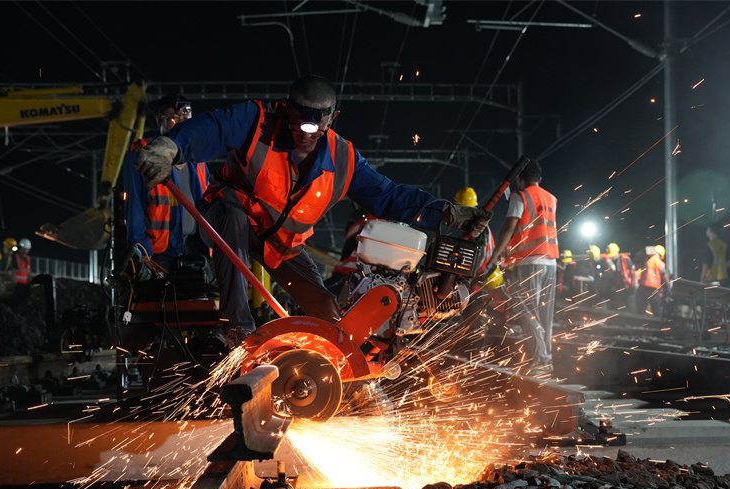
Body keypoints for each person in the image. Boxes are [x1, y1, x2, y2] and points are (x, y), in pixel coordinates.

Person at [135, 75, 492, 349]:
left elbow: (390, 197)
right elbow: (211, 127)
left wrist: (449, 213)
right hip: (229, 220)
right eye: (295, 121)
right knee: (233, 216)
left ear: (332, 118)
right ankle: (238, 330)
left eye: (314, 125)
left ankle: (343, 372)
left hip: (280, 244)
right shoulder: (257, 120)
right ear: (285, 108)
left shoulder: (344, 160)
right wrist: (170, 146)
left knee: (330, 315)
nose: (303, 133)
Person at [124, 93, 210, 273]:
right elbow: (135, 205)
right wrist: (142, 249)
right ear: (158, 120)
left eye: (186, 118)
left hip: (196, 247)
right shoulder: (143, 152)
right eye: (174, 118)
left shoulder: (198, 157)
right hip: (159, 252)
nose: (182, 124)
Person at [487, 159, 558, 376]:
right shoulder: (551, 198)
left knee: (525, 310)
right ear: (540, 179)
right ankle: (545, 359)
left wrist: (495, 256)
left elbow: (509, 226)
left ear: (520, 179)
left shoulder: (520, 196)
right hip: (551, 263)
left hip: (528, 262)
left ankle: (541, 360)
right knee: (544, 315)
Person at [454, 186, 496, 271]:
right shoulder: (468, 229)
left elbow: (482, 255)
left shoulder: (479, 228)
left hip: (483, 275)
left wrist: (470, 277)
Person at [637, 245, 668, 316]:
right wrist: (668, 286)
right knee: (657, 309)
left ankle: (640, 324)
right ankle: (658, 325)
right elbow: (665, 276)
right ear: (661, 255)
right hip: (654, 289)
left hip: (643, 286)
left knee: (641, 308)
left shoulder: (646, 260)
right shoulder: (661, 264)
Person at [606, 242, 636, 310]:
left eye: (612, 255)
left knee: (628, 304)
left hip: (627, 285)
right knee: (618, 304)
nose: (611, 256)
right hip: (618, 286)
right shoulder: (611, 260)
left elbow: (634, 269)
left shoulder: (624, 259)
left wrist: (635, 283)